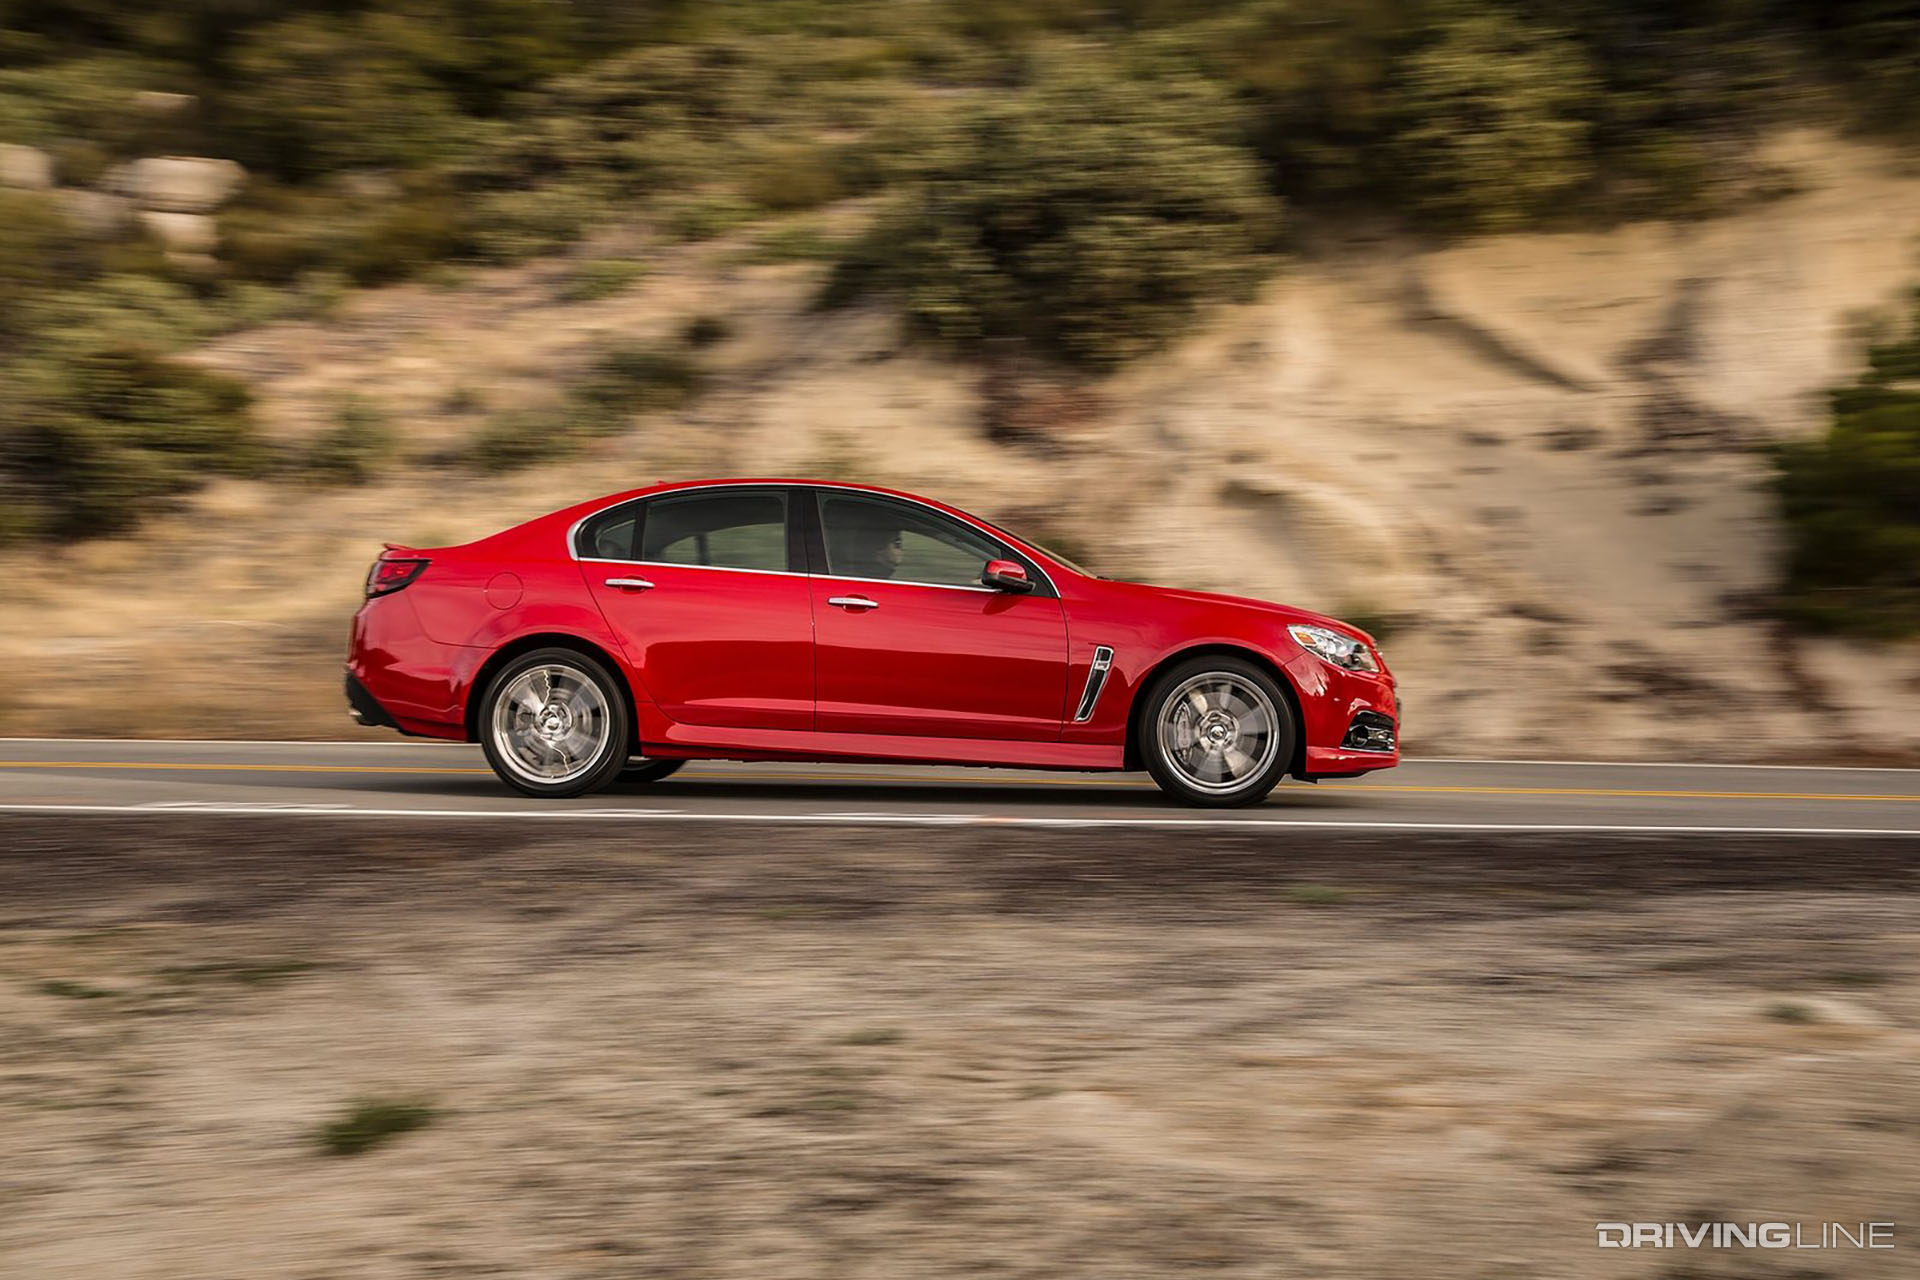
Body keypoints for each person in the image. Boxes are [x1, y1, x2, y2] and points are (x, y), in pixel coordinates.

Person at [840, 519, 905, 580]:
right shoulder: (871, 580)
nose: (902, 551)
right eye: (897, 544)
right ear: (880, 547)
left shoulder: (870, 577)